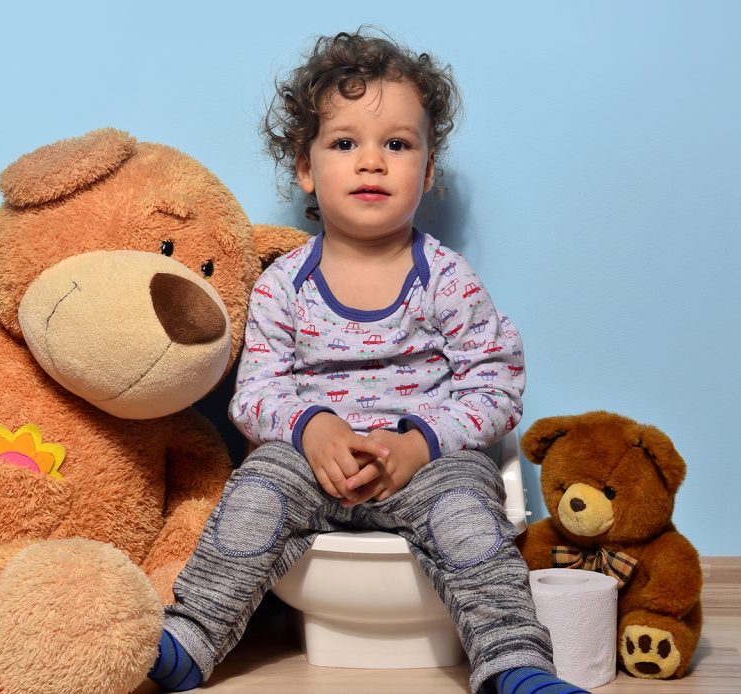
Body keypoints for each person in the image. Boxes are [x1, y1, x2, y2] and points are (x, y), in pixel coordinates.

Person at [148, 29, 588, 694]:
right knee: (257, 491)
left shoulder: (446, 278)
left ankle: (513, 662)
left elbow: (496, 384)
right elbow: (256, 391)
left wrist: (419, 444)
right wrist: (310, 429)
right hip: (312, 464)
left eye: (398, 144)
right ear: (305, 166)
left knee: (471, 522)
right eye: (345, 143)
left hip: (426, 467)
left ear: (429, 169)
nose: (372, 162)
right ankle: (191, 638)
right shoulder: (283, 284)